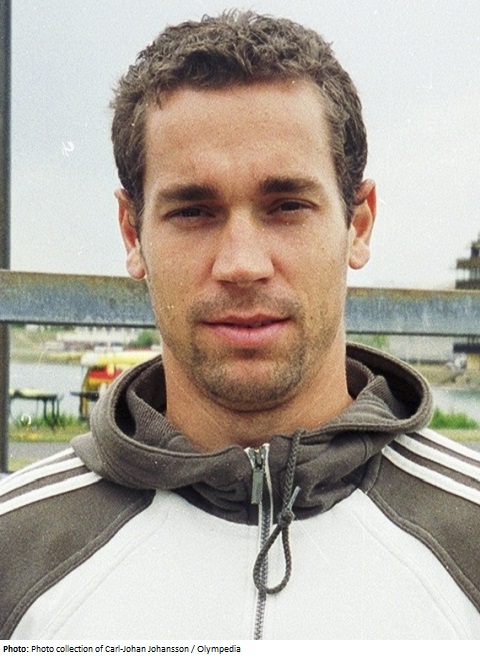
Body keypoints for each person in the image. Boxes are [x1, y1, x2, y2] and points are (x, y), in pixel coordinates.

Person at [1, 10, 480, 641]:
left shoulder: (469, 540)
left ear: (359, 223)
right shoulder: (15, 553)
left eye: (287, 206)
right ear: (132, 233)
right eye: (193, 211)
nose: (242, 264)